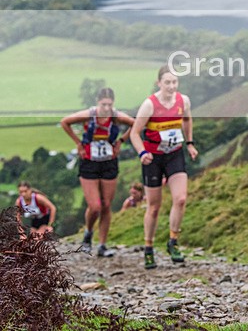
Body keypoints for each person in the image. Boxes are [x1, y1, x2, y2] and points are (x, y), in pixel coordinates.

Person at [129, 65, 198, 269]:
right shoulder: (149, 105)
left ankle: (173, 242)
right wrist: (142, 153)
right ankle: (149, 248)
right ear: (159, 83)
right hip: (154, 158)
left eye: (174, 82)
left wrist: (190, 143)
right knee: (154, 206)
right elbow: (135, 133)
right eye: (167, 82)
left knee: (181, 198)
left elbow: (187, 120)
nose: (171, 86)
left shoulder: (183, 100)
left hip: (175, 154)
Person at [61, 87, 134, 257]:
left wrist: (121, 141)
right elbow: (65, 122)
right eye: (103, 104)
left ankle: (102, 245)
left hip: (109, 162)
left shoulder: (116, 116)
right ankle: (88, 233)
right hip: (89, 162)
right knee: (95, 206)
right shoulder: (89, 114)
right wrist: (78, 143)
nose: (107, 108)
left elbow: (136, 123)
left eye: (109, 104)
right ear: (97, 102)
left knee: (106, 205)